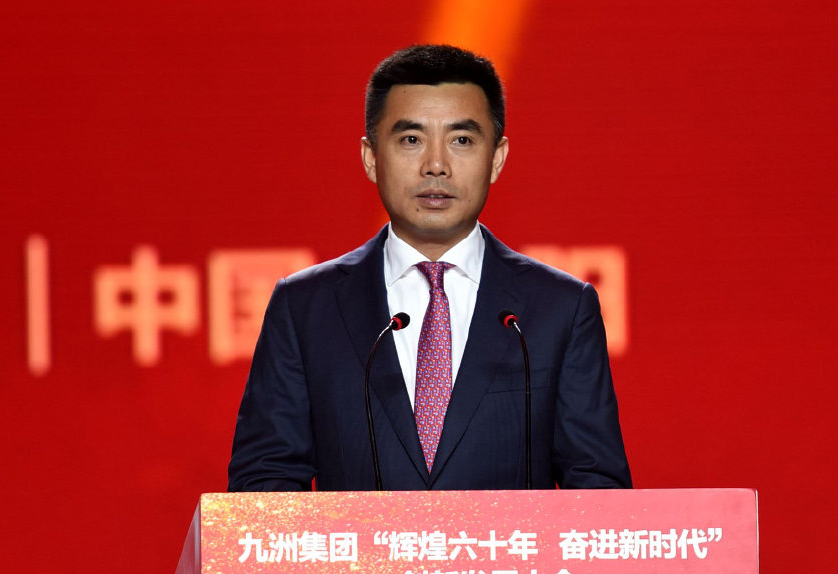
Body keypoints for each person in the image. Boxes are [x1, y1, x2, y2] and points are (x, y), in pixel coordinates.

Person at [227, 44, 631, 491]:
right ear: (371, 157)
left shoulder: (560, 309)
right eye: (411, 140)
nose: (436, 166)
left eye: (462, 140)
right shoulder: (305, 308)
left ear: (496, 158)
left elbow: (598, 491)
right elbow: (264, 486)